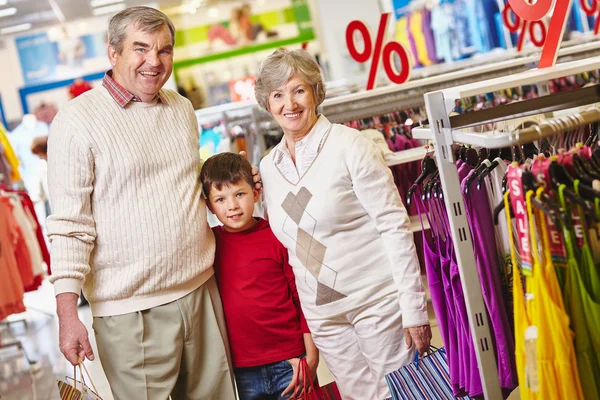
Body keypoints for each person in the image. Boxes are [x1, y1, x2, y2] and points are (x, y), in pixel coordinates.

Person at [46, 7, 259, 399]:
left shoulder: (180, 109)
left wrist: (234, 181)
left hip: (202, 292)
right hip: (130, 311)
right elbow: (70, 224)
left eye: (164, 50)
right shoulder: (76, 122)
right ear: (113, 53)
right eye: (140, 49)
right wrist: (66, 314)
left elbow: (181, 181)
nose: (154, 62)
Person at [255, 48, 432, 400]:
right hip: (324, 317)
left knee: (402, 395)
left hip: (376, 302)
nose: (289, 103)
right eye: (277, 95)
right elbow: (286, 246)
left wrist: (414, 308)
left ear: (316, 93)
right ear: (267, 103)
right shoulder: (268, 168)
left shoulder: (350, 145)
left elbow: (393, 225)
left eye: (298, 90)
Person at [201, 152, 319, 400]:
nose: (232, 205)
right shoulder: (209, 244)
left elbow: (302, 297)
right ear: (209, 205)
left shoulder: (276, 235)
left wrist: (310, 356)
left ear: (255, 193)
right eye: (220, 199)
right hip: (243, 370)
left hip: (291, 361)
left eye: (240, 194)